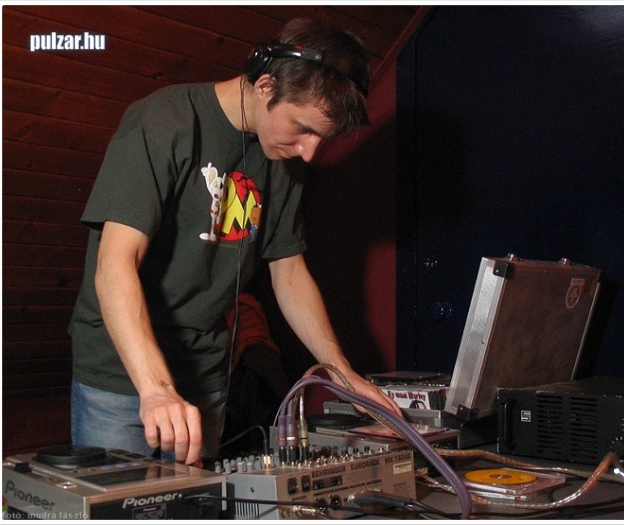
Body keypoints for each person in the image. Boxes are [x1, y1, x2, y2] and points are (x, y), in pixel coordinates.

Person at [68, 18, 402, 466]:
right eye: (303, 129)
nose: (309, 152)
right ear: (265, 85)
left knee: (193, 502)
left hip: (205, 375)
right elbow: (114, 264)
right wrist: (157, 389)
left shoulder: (283, 157)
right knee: (116, 501)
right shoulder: (164, 122)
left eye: (321, 139)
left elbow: (289, 272)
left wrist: (341, 372)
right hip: (122, 376)